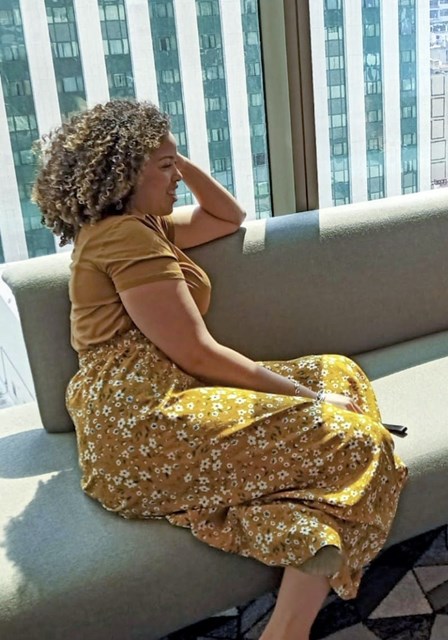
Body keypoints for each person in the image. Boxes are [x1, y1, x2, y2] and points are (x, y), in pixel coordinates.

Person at [32, 100, 407, 640]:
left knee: (337, 371)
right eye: (163, 166)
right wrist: (310, 402)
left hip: (168, 394)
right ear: (125, 173)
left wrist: (173, 161)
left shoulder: (145, 224)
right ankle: (289, 627)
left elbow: (228, 217)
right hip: (141, 422)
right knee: (360, 443)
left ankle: (296, 548)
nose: (175, 176)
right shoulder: (125, 237)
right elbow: (199, 353)